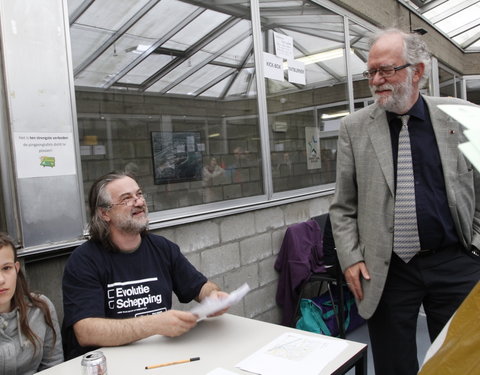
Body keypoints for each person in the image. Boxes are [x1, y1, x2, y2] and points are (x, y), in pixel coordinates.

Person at [329, 28, 480, 375]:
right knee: (393, 365)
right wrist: (351, 258)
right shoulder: (354, 128)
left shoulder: (461, 117)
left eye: (387, 70)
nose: (377, 80)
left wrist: (476, 246)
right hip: (388, 268)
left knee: (460, 362)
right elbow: (343, 205)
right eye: (371, 72)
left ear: (418, 71)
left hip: (455, 260)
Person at [62, 171, 229, 360]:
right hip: (110, 363)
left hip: (160, 356)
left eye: (139, 194)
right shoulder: (84, 260)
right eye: (127, 199)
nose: (140, 202)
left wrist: (213, 296)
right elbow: (86, 331)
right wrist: (154, 324)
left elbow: (199, 286)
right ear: (104, 213)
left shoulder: (162, 248)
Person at [0, 232, 63, 374]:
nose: (1, 280)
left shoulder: (40, 309)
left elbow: (54, 367)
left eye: (6, 268)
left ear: (16, 269)